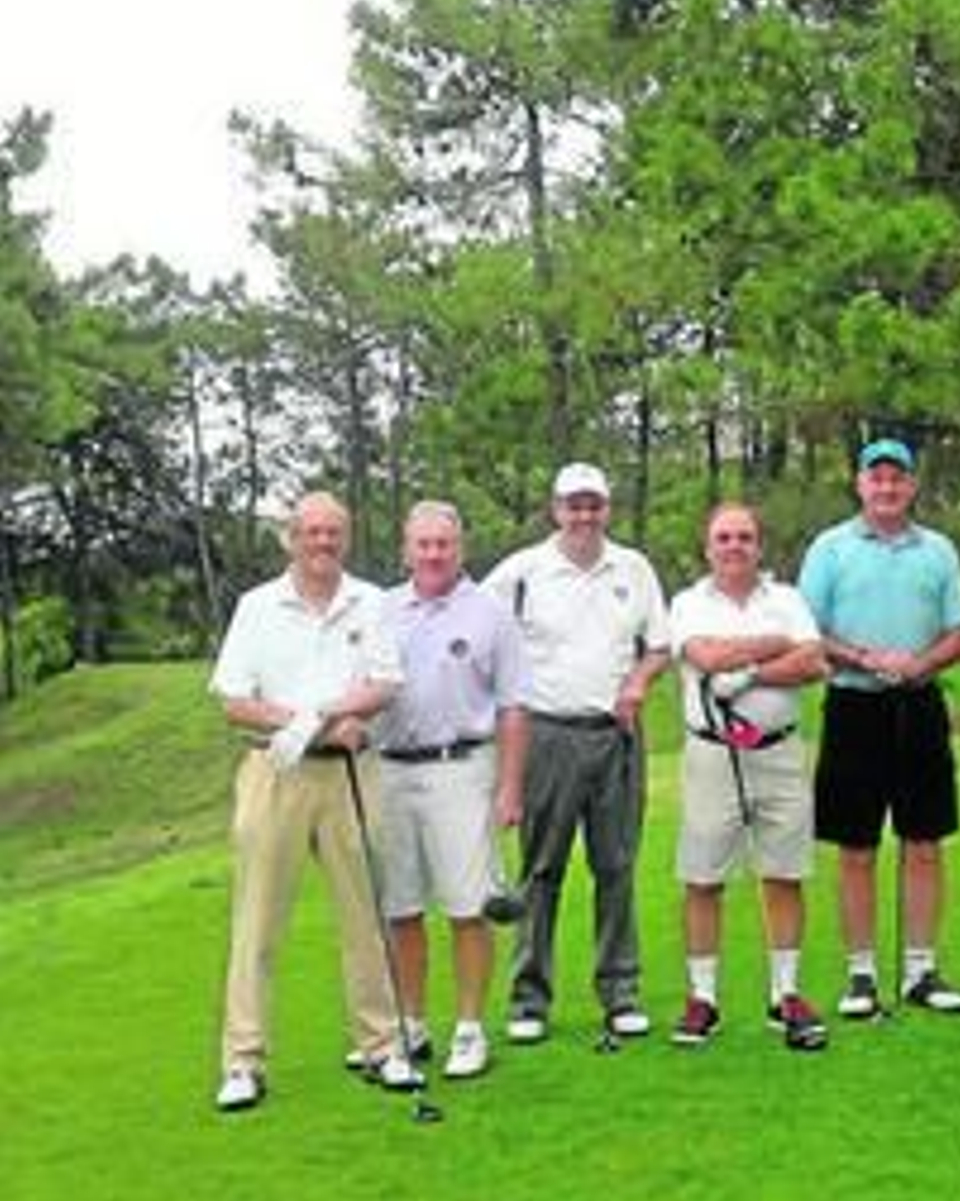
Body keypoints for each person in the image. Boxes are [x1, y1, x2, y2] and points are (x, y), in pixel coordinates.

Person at [209, 491, 417, 1112]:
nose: (323, 543)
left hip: (351, 775)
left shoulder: (370, 601)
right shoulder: (257, 607)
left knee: (365, 916)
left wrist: (329, 720)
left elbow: (384, 684)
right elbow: (235, 701)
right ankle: (243, 1061)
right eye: (312, 533)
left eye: (334, 533)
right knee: (258, 922)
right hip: (274, 773)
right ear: (291, 539)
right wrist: (318, 722)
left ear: (345, 538)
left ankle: (382, 1045)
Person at [484, 462, 671, 1043]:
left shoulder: (633, 568)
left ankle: (620, 992)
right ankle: (528, 1000)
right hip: (546, 735)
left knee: (615, 866)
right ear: (555, 509)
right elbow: (481, 633)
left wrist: (639, 682)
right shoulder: (522, 571)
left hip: (614, 736)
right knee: (542, 868)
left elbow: (659, 646)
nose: (584, 515)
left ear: (607, 508)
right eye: (574, 505)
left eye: (594, 505)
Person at [798, 437, 960, 1019]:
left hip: (920, 704)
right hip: (854, 705)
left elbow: (959, 632)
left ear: (913, 486)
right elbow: (808, 630)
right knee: (857, 849)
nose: (887, 488)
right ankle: (862, 975)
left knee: (923, 843)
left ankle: (922, 970)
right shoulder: (831, 547)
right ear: (860, 484)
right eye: (877, 478)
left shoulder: (939, 550)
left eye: (897, 478)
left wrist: (919, 663)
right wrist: (865, 658)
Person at [374, 501, 536, 1080]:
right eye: (423, 544)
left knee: (468, 907)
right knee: (401, 907)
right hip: (389, 769)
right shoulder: (381, 610)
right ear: (406, 548)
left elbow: (515, 706)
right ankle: (411, 1024)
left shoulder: (490, 613)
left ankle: (469, 1029)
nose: (433, 554)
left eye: (443, 543)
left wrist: (510, 788)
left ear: (459, 548)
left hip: (463, 767)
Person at [667, 502, 830, 1051]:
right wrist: (773, 643)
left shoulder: (786, 599)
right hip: (713, 754)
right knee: (703, 877)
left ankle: (785, 994)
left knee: (784, 873)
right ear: (707, 547)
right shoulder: (689, 603)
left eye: (744, 537)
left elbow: (814, 662)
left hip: (779, 753)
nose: (734, 546)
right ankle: (703, 999)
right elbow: (705, 655)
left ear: (759, 546)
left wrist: (752, 672)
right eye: (723, 538)